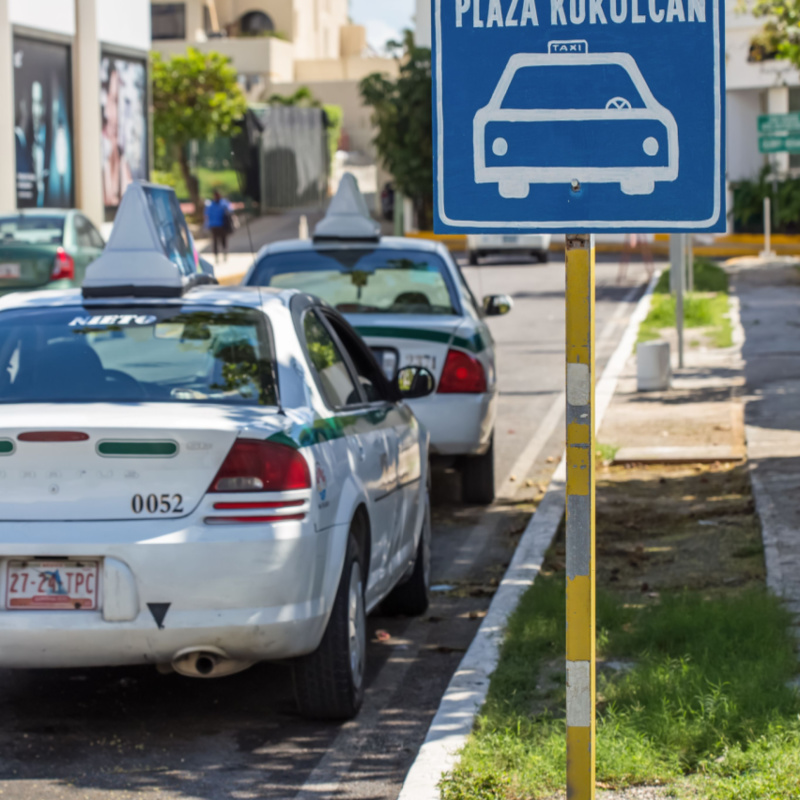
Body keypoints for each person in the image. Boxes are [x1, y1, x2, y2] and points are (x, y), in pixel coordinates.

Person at [204, 190, 233, 263]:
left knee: (223, 241)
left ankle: (224, 254)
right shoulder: (211, 205)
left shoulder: (223, 204)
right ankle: (217, 256)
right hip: (214, 226)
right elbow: (207, 216)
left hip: (222, 226)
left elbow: (230, 212)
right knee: (215, 242)